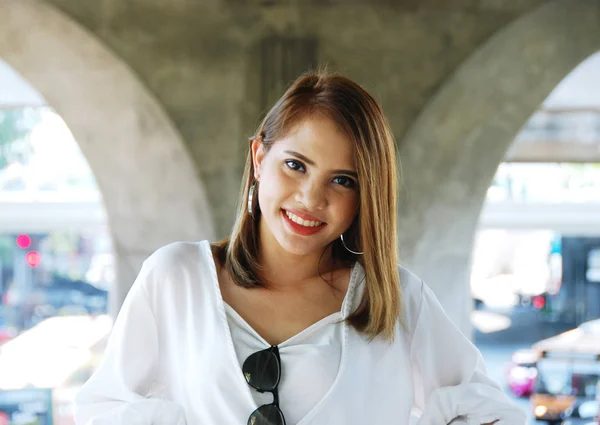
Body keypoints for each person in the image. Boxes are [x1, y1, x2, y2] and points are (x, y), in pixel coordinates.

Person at [73, 71, 526, 425]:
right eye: (296, 165)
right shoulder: (176, 278)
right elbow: (104, 409)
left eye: (343, 180)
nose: (311, 198)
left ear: (365, 196)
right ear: (258, 159)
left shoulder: (394, 301)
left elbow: (488, 411)